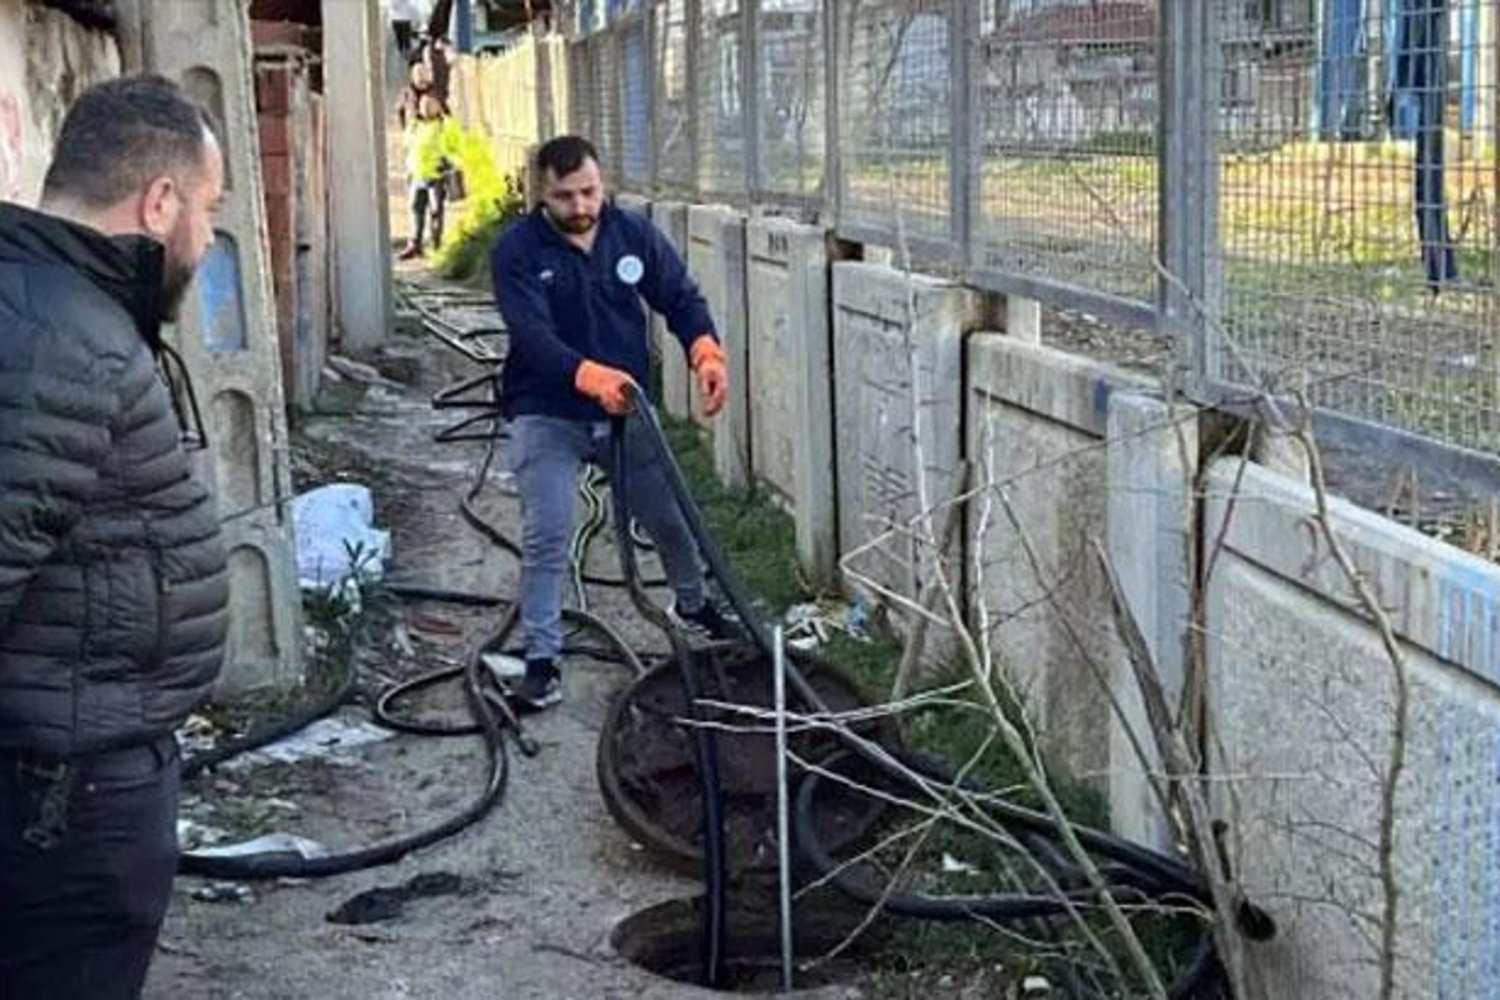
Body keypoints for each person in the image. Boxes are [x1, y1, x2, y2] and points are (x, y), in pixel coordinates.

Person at [0, 75, 229, 999]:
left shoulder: (54, 307)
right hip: (62, 808)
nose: (209, 242)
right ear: (160, 201)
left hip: (69, 784)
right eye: (208, 211)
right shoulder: (65, 337)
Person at [492, 135, 736, 709]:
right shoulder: (516, 251)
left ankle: (694, 604)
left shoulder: (631, 235)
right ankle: (542, 659)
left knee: (671, 520)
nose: (580, 207)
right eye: (564, 197)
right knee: (549, 531)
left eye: (589, 192)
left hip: (626, 409)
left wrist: (706, 351)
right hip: (547, 411)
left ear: (602, 186)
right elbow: (533, 337)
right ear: (540, 194)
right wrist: (588, 377)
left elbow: (679, 296)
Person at [399, 93, 460, 260]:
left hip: (436, 175)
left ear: (438, 106)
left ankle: (436, 246)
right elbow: (408, 146)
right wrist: (408, 169)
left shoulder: (445, 125)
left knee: (435, 211)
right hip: (417, 174)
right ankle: (414, 245)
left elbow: (455, 146)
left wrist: (450, 163)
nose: (426, 108)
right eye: (423, 104)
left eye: (430, 104)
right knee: (415, 210)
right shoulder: (414, 125)